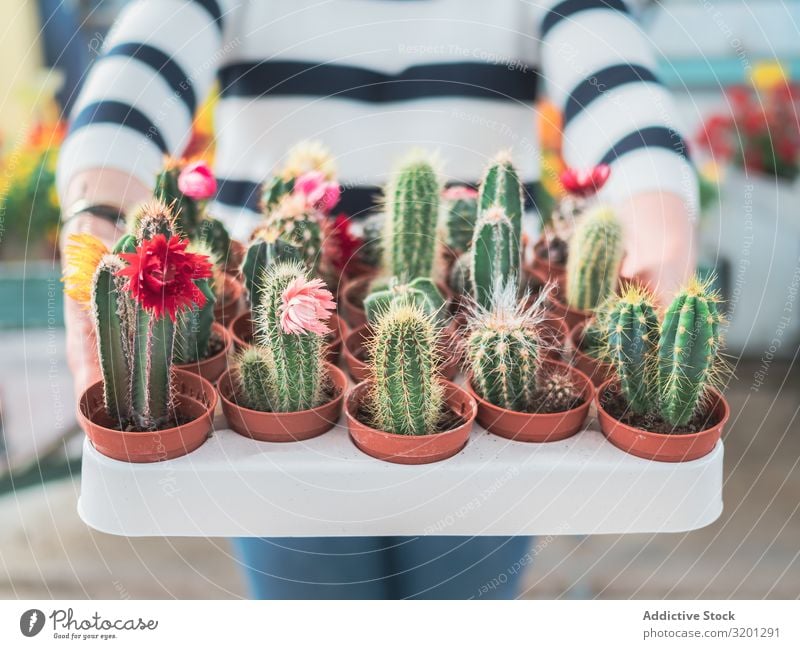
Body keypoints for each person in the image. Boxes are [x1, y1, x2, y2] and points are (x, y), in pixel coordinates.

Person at [57, 0, 697, 599]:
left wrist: (659, 229)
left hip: (481, 322)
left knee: (462, 599)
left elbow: (614, 81)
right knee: (310, 602)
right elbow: (139, 72)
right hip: (271, 318)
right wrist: (96, 215)